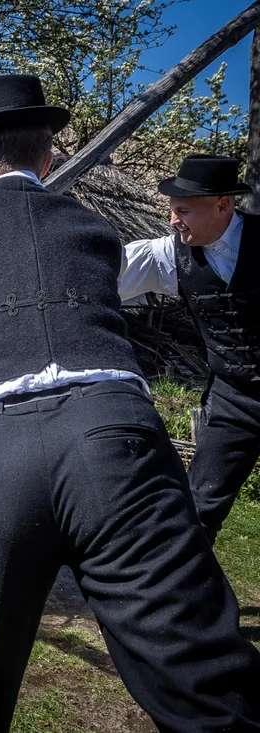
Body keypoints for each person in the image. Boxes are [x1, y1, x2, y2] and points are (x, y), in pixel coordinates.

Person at [0, 75, 260, 731]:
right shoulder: (92, 228)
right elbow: (128, 272)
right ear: (49, 159)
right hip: (121, 442)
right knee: (209, 690)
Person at [119, 155, 260, 544]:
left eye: (183, 210)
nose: (173, 220)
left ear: (223, 205)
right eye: (172, 210)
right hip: (235, 399)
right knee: (198, 506)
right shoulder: (170, 254)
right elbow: (107, 274)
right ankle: (187, 599)